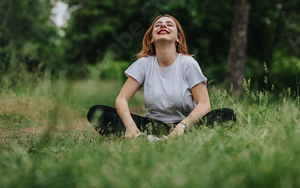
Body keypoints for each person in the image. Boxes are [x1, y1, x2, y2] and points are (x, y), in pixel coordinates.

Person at [87, 14, 235, 138]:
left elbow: (204, 104)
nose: (163, 26)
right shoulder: (144, 64)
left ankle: (174, 139)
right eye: (158, 25)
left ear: (178, 38)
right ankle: (140, 137)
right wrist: (130, 127)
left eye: (169, 24)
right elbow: (121, 99)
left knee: (227, 114)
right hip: (152, 126)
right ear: (151, 38)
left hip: (186, 126)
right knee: (97, 112)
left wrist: (181, 127)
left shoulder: (188, 63)